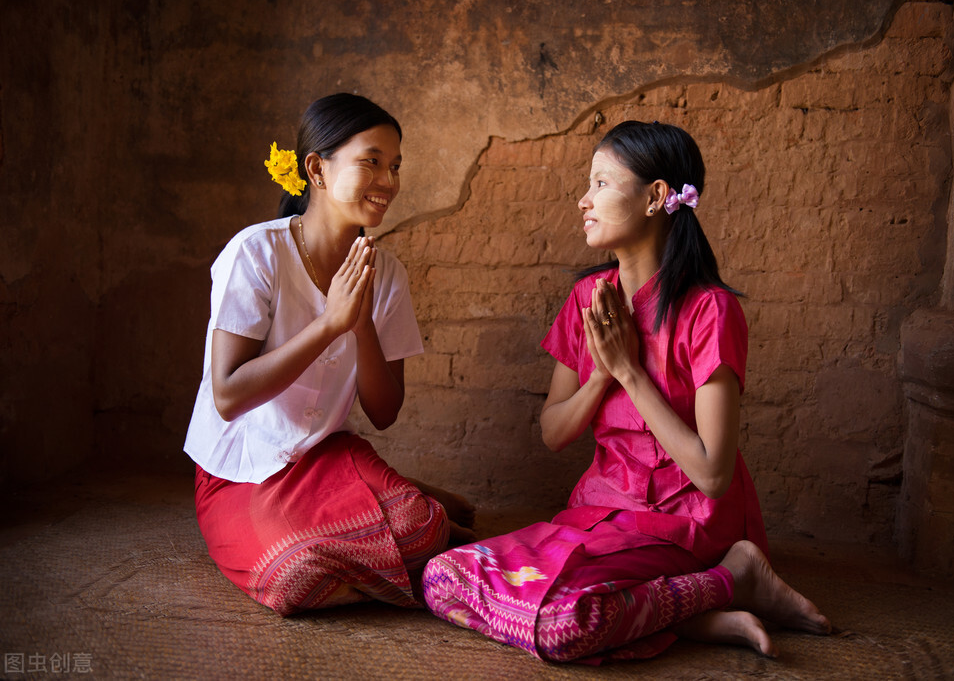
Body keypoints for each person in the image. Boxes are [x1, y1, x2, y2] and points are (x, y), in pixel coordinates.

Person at [422, 121, 830, 662]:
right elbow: (553, 433)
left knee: (566, 624)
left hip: (686, 523)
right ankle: (696, 611)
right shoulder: (587, 298)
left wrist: (630, 371)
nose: (583, 200)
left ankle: (734, 574)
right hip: (599, 511)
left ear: (656, 197)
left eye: (601, 183)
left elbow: (713, 475)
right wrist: (601, 374)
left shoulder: (710, 310)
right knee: (442, 577)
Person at [184, 93, 474, 617]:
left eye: (395, 166)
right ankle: (397, 507)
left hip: (325, 455)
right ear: (317, 169)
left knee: (423, 531)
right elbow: (227, 397)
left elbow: (384, 412)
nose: (388, 181)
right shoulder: (256, 252)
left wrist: (360, 325)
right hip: (242, 470)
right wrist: (329, 324)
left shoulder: (386, 274)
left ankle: (399, 512)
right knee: (292, 577)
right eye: (371, 161)